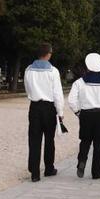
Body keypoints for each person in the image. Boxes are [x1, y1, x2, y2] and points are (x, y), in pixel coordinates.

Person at [68, 53, 100, 179]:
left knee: (85, 140)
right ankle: (96, 172)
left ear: (87, 66)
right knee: (98, 144)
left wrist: (77, 112)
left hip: (85, 114)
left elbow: (71, 100)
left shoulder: (79, 82)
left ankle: (82, 161)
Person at [24, 42, 64, 182]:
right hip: (49, 107)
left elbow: (27, 88)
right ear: (48, 54)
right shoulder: (53, 71)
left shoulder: (28, 70)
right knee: (49, 139)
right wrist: (60, 111)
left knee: (34, 140)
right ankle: (49, 168)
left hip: (34, 106)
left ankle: (34, 172)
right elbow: (57, 93)